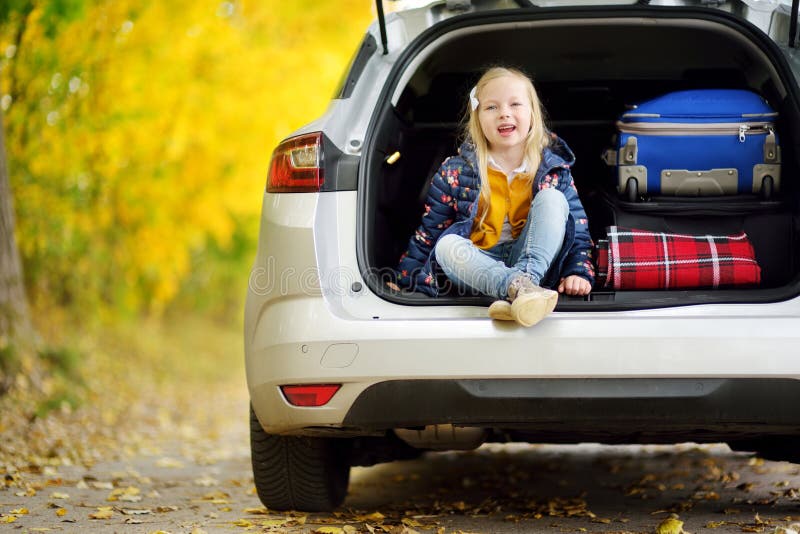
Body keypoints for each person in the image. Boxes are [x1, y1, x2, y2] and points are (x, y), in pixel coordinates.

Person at [395, 66, 594, 327]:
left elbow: (578, 232)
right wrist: (404, 280)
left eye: (515, 104)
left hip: (536, 261)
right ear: (477, 118)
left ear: (532, 114)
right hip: (479, 268)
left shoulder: (554, 170)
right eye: (491, 107)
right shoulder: (455, 171)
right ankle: (520, 290)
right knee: (446, 246)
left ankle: (523, 287)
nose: (504, 113)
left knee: (553, 200)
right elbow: (429, 233)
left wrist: (577, 272)